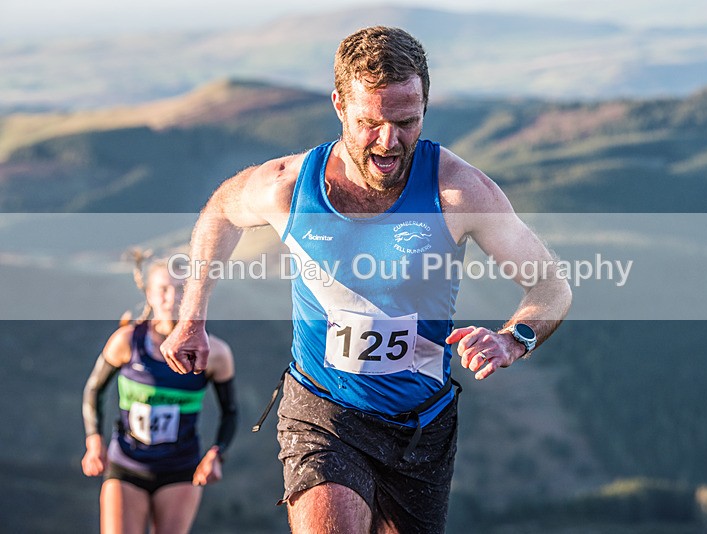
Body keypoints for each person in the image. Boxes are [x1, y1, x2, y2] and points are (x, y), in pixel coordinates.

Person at [160, 26, 571, 533]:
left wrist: (513, 339)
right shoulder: (289, 187)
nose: (388, 142)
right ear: (339, 105)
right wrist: (192, 317)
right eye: (370, 123)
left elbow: (551, 285)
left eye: (406, 122)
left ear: (424, 108)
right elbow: (221, 213)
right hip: (323, 411)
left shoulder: (460, 193)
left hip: (421, 427)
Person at [81, 260, 237, 534]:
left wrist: (217, 453)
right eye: (163, 289)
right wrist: (94, 441)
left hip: (180, 469)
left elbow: (230, 411)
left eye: (180, 289)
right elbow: (94, 389)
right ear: (150, 295)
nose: (171, 297)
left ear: (193, 296)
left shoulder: (215, 353)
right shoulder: (126, 342)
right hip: (127, 464)